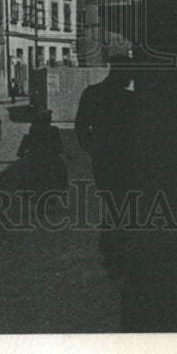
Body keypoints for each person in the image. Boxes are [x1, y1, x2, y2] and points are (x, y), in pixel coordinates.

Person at [74, 54, 137, 276]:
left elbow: (81, 130)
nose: (131, 77)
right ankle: (118, 255)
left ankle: (112, 254)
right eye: (130, 72)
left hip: (103, 162)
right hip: (127, 161)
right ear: (120, 71)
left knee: (113, 205)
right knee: (126, 207)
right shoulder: (129, 100)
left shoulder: (92, 93)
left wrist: (95, 150)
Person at [17, 109, 67, 194]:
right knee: (62, 166)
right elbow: (59, 147)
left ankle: (24, 189)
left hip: (34, 158)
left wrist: (22, 153)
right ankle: (62, 188)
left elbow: (22, 150)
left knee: (23, 167)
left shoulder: (33, 130)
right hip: (50, 158)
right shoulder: (54, 130)